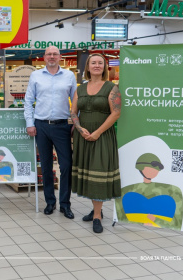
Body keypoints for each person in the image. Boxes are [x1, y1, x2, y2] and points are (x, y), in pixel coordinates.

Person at [70, 53, 122, 233]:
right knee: (89, 173)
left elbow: (116, 113)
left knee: (98, 172)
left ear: (105, 67)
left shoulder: (111, 87)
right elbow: (73, 112)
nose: (97, 65)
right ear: (88, 67)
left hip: (103, 135)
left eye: (101, 63)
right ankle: (96, 209)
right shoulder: (80, 89)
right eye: (94, 62)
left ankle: (98, 216)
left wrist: (97, 133)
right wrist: (79, 128)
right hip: (83, 136)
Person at [24, 46, 77, 219]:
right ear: (44, 57)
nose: (52, 56)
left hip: (62, 126)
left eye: (55, 54)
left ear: (60, 57)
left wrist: (76, 122)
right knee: (45, 166)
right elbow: (29, 101)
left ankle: (65, 204)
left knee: (66, 165)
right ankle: (50, 202)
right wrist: (30, 123)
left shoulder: (69, 75)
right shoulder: (36, 76)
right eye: (49, 54)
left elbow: (76, 101)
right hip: (41, 126)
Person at [115, 153, 183, 230]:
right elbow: (120, 214)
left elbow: (177, 222)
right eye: (152, 167)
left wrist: (155, 219)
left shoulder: (173, 190)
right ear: (140, 167)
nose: (155, 170)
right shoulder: (126, 190)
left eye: (157, 168)